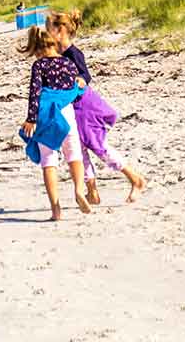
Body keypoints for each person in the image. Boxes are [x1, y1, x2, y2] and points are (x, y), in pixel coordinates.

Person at [50, 13, 148, 205]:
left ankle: (135, 179)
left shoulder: (73, 53)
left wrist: (80, 80)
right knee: (79, 149)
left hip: (85, 106)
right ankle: (92, 191)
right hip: (71, 107)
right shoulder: (58, 54)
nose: (47, 33)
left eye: (49, 29)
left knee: (98, 146)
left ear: (60, 31)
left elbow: (85, 74)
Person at [18, 23, 91, 220]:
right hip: (67, 115)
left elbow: (35, 94)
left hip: (47, 117)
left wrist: (31, 119)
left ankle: (56, 210)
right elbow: (75, 91)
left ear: (39, 49)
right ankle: (78, 191)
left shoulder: (39, 65)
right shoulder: (69, 64)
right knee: (74, 155)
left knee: (49, 160)